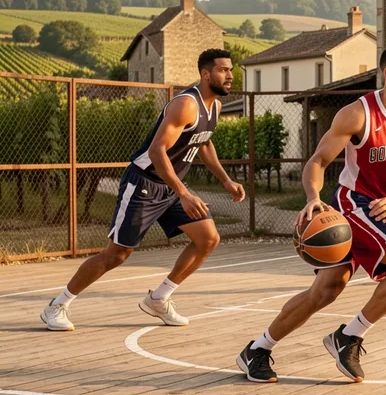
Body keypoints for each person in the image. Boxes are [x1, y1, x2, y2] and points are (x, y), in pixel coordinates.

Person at [236, 44, 386, 383]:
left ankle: (257, 349)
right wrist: (312, 197)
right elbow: (318, 160)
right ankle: (349, 336)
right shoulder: (357, 113)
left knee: (327, 289)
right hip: (355, 203)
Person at [40, 49, 245, 331]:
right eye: (223, 70)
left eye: (231, 70)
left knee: (208, 238)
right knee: (117, 255)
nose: (230, 75)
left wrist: (225, 180)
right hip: (144, 183)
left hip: (171, 186)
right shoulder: (186, 104)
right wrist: (184, 194)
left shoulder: (215, 108)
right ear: (206, 74)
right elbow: (156, 150)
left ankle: (159, 299)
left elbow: (204, 142)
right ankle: (57, 305)